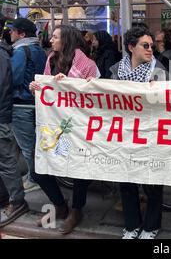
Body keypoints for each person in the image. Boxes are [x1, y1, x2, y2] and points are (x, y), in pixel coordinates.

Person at [29, 24, 98, 234]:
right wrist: (37, 88)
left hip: (78, 127)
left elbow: (96, 91)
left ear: (66, 40)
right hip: (55, 126)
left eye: (55, 37)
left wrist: (70, 83)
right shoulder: (51, 59)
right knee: (39, 169)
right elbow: (47, 91)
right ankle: (60, 206)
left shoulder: (88, 64)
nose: (51, 40)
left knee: (78, 169)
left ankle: (76, 210)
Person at [109, 26, 167, 239]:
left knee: (152, 183)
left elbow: (169, 105)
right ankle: (132, 225)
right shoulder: (115, 71)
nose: (151, 49)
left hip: (150, 134)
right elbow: (98, 93)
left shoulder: (160, 72)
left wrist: (157, 93)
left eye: (152, 45)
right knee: (126, 181)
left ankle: (151, 227)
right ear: (131, 47)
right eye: (145, 45)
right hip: (123, 134)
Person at [10, 18, 47, 193]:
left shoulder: (20, 51)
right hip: (37, 103)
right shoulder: (40, 51)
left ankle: (34, 178)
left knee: (28, 145)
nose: (10, 33)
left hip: (21, 104)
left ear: (22, 34)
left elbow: (14, 78)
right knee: (35, 142)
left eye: (13, 30)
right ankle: (34, 175)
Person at [0, 26, 29, 227]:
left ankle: (17, 201)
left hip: (1, 117)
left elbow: (3, 86)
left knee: (6, 160)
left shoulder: (2, 55)